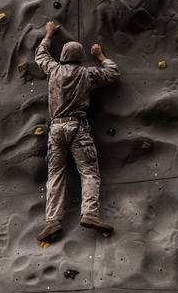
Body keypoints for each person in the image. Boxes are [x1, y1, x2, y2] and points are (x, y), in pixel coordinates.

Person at [34, 19, 118, 244]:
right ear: (80, 57)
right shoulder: (87, 73)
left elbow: (40, 55)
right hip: (78, 128)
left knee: (55, 174)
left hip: (56, 128)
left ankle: (52, 220)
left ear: (63, 56)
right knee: (89, 172)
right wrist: (101, 57)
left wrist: (49, 34)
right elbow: (112, 73)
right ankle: (90, 213)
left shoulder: (53, 70)